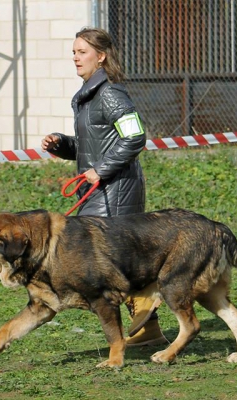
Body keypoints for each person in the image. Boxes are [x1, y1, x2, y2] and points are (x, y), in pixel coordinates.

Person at [41, 27, 166, 347]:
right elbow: (90, 146)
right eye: (73, 52)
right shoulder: (87, 97)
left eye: (81, 52)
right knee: (112, 256)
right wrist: (61, 145)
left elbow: (135, 136)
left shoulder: (110, 93)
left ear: (101, 56)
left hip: (116, 191)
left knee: (104, 257)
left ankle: (150, 294)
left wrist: (102, 169)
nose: (75, 57)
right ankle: (147, 327)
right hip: (97, 189)